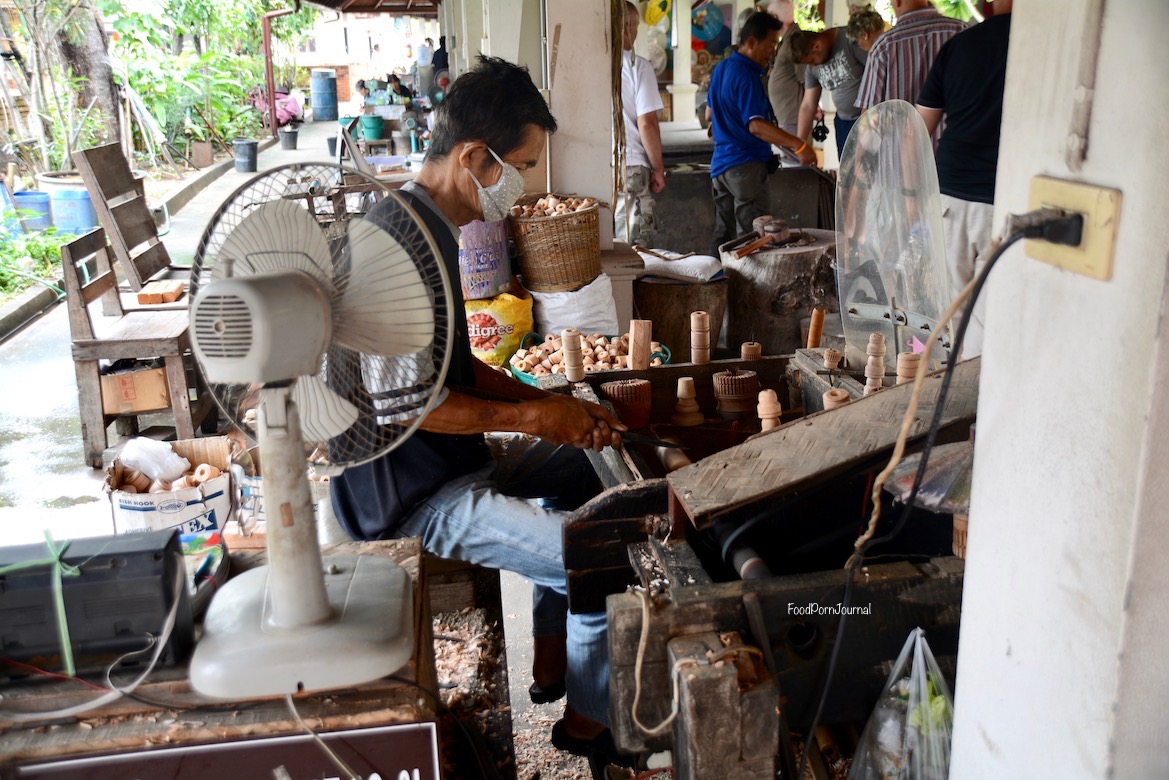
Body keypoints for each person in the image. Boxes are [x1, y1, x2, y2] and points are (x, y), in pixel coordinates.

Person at [330, 56, 636, 767]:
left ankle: (552, 662)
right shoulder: (400, 245)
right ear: (473, 156)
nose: (522, 182)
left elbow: (463, 371)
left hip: (446, 460)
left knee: (586, 468)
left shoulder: (433, 223)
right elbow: (417, 406)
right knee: (599, 557)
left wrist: (549, 402)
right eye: (519, 164)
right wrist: (534, 421)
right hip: (405, 497)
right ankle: (588, 723)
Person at [916, 1, 1012, 358]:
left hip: (950, 195)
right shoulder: (1037, 46)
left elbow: (922, 126)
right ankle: (973, 406)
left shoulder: (959, 45)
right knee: (986, 318)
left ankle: (941, 394)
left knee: (947, 308)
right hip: (1002, 201)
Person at [707, 12, 816, 255]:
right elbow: (756, 126)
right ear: (752, 41)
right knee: (753, 238)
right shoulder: (746, 76)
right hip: (745, 168)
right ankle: (747, 291)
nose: (773, 51)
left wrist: (727, 124)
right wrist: (800, 145)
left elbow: (709, 117)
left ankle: (717, 284)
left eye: (776, 45)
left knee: (723, 236)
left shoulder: (722, 68)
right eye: (770, 45)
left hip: (720, 168)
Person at [854, 0, 966, 136]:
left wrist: (859, 155)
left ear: (898, 1)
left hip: (900, 152)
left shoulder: (883, 47)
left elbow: (869, 116)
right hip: (952, 150)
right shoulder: (961, 32)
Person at [615, 0, 666, 247]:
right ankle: (633, 287)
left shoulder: (594, 65)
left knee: (610, 241)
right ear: (626, 28)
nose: (635, 32)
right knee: (634, 246)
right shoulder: (637, 66)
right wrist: (658, 168)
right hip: (632, 164)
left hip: (601, 166)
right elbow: (647, 124)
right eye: (634, 26)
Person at [789, 25, 868, 158]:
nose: (812, 66)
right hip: (843, 123)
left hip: (868, 118)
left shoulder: (849, 39)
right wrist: (800, 145)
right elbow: (808, 105)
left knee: (868, 169)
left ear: (816, 46)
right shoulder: (811, 69)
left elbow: (877, 72)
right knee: (848, 173)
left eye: (812, 61)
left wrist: (866, 120)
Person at [765, 0, 805, 138]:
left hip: (793, 116)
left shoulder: (796, 40)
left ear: (775, 17)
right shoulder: (787, 39)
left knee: (794, 157)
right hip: (786, 116)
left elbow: (805, 78)